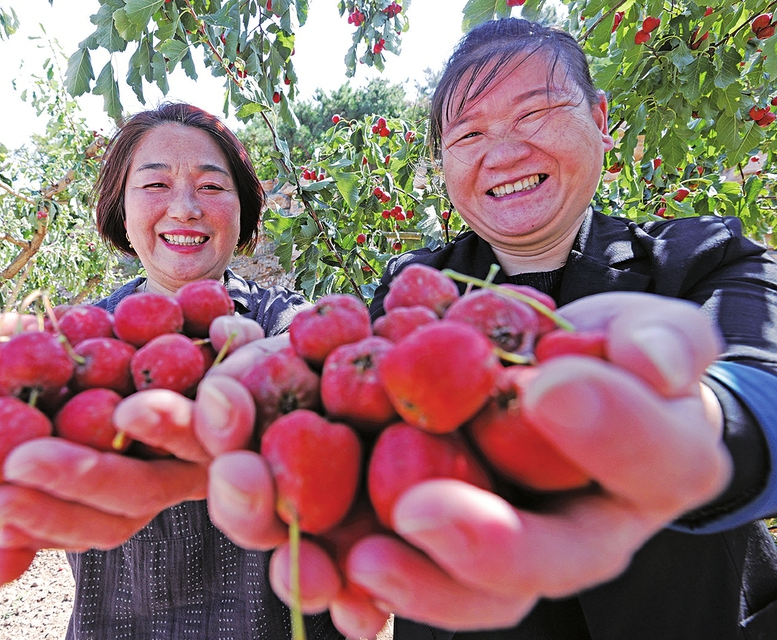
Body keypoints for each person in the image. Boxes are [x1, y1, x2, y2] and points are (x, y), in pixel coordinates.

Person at [204, 18, 777, 640]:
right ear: (445, 160)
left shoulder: (706, 254)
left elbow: (760, 392)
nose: (504, 153)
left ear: (602, 121)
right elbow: (353, 456)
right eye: (470, 132)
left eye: (534, 114)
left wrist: (697, 417)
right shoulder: (413, 296)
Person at [0, 103, 346, 639]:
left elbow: (322, 361)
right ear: (121, 214)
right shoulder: (70, 342)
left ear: (243, 209)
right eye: (154, 184)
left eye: (212, 187)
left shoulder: (283, 325)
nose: (185, 207)